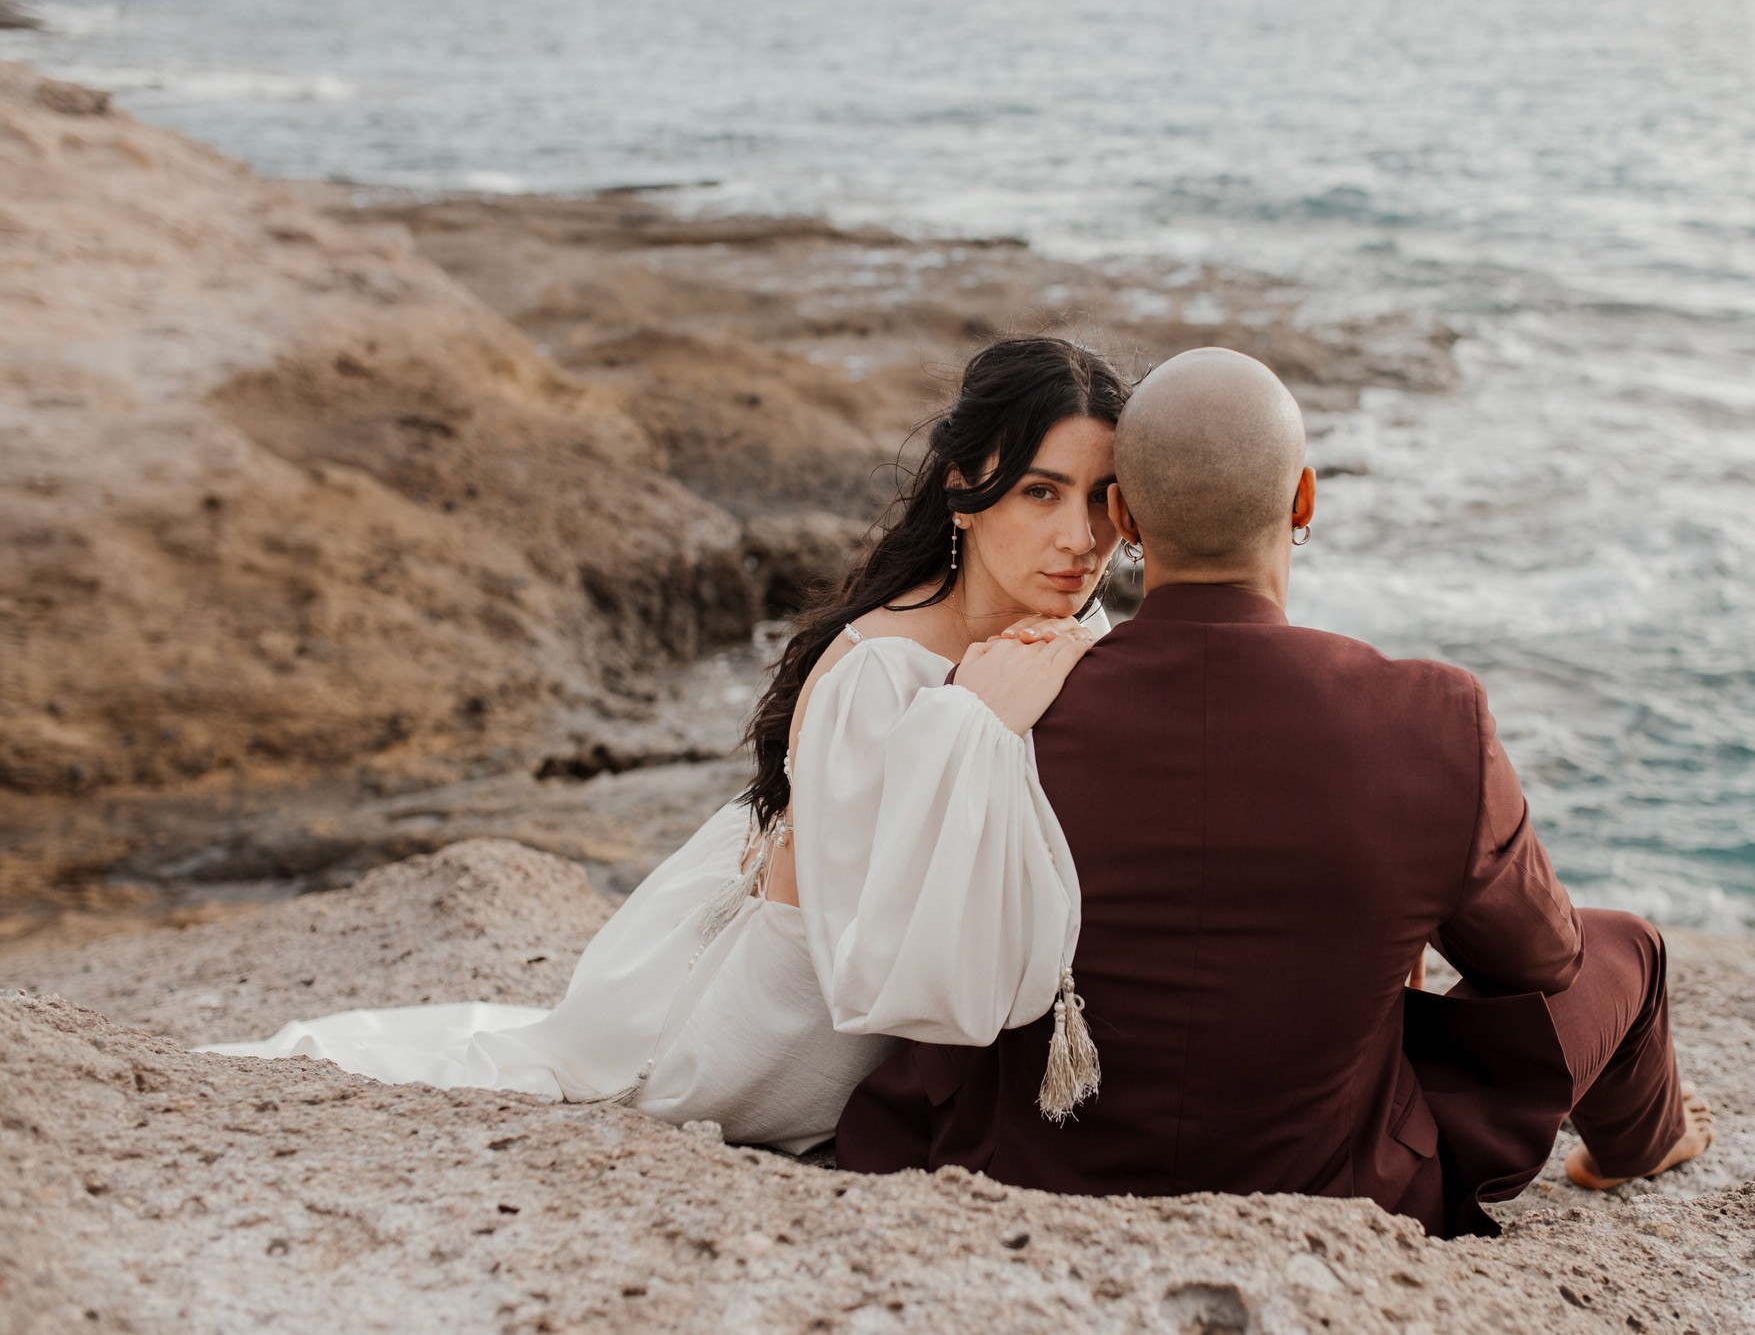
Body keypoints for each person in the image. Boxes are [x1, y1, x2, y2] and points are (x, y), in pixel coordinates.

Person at [835, 347, 1715, 1237]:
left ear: (1124, 516)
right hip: (1333, 1188)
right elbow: (1541, 963)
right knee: (1625, 946)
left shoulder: (1001, 700)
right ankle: (1643, 1144)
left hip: (1027, 1161)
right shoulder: (1433, 715)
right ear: (1303, 500)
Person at [203, 336, 1129, 1152]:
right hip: (786, 1030)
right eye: (1041, 491)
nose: (1078, 537)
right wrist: (976, 721)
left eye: (1104, 499)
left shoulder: (1066, 645)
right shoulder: (881, 671)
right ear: (966, 490)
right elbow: (875, 958)